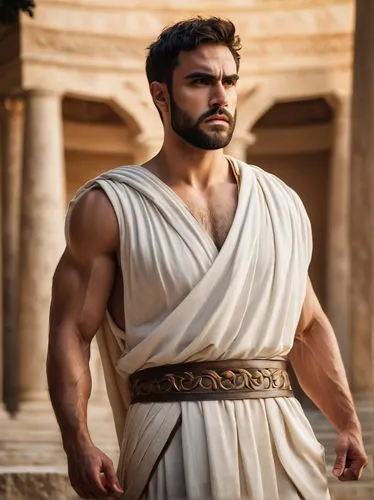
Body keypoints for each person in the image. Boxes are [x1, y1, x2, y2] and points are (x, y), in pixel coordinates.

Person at [47, 17, 367, 500]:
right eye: (200, 81)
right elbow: (71, 330)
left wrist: (346, 421)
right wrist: (78, 443)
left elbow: (307, 325)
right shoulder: (110, 206)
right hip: (170, 438)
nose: (220, 97)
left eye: (229, 81)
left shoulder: (279, 203)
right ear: (161, 95)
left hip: (280, 439)